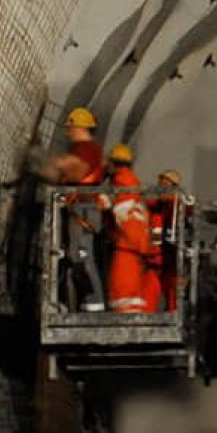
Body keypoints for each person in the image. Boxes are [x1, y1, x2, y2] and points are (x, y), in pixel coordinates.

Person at [41, 107, 107, 310]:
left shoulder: (86, 149)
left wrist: (47, 161)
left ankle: (94, 302)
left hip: (83, 208)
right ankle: (79, 302)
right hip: (80, 208)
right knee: (74, 256)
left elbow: (75, 170)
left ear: (80, 127)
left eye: (70, 127)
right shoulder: (86, 149)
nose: (67, 131)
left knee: (81, 254)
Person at [103, 145, 162, 314]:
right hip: (135, 253)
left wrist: (104, 203)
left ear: (115, 164)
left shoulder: (123, 185)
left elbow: (126, 219)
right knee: (133, 302)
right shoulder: (132, 185)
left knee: (124, 300)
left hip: (126, 251)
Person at [148, 169, 188, 311]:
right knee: (149, 297)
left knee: (173, 298)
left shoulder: (177, 206)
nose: (161, 189)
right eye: (160, 185)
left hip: (172, 261)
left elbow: (189, 209)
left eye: (165, 185)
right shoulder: (154, 206)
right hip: (153, 261)